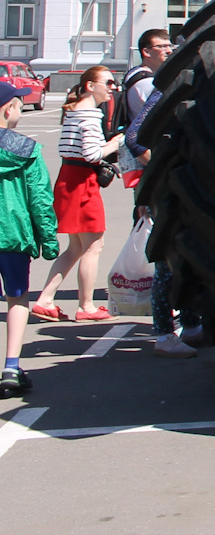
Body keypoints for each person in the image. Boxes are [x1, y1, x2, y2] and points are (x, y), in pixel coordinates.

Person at [121, 29, 194, 356]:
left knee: (187, 255)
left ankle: (191, 323)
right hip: (167, 186)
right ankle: (165, 334)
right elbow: (134, 138)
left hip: (183, 182)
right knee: (166, 259)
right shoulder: (162, 88)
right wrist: (157, 169)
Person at [31, 67, 122, 323]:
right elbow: (92, 154)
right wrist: (116, 143)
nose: (113, 87)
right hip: (82, 184)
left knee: (76, 247)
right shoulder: (89, 115)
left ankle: (45, 300)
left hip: (69, 180)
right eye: (108, 83)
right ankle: (86, 306)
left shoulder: (73, 112)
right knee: (93, 246)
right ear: (91, 86)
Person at [0, 84, 57, 396]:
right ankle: (11, 365)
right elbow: (39, 199)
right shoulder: (26, 150)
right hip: (12, 235)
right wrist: (48, 240)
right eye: (19, 105)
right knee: (17, 298)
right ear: (9, 109)